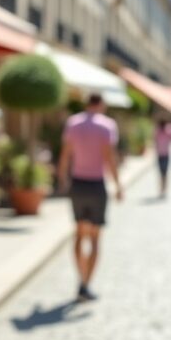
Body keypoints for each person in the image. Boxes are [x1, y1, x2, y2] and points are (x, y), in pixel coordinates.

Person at [58, 93, 123, 302]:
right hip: (96, 185)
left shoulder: (73, 123)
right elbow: (109, 158)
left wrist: (62, 178)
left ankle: (81, 277)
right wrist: (118, 185)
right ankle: (86, 283)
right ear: (101, 105)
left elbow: (66, 154)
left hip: (78, 183)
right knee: (94, 237)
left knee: (78, 234)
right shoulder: (106, 125)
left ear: (87, 104)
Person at [153, 117, 171, 199]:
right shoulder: (166, 131)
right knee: (164, 173)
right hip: (164, 154)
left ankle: (163, 189)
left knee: (162, 173)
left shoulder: (161, 131)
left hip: (162, 154)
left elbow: (154, 140)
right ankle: (164, 189)